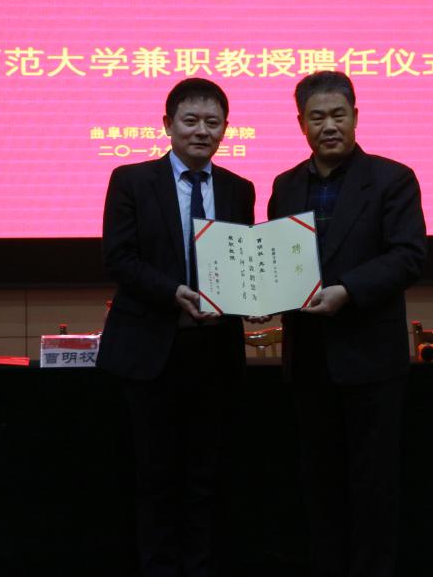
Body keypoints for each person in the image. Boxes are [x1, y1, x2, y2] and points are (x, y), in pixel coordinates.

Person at [267, 70, 426, 577]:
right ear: (301, 123)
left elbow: (408, 257)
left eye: (339, 115)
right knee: (319, 483)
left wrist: (348, 291)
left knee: (373, 485)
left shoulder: (392, 179)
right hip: (309, 360)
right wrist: (260, 294)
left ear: (356, 116)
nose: (329, 126)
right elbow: (274, 260)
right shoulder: (285, 185)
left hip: (370, 360)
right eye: (317, 117)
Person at [96, 78, 256, 577]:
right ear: (167, 125)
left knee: (205, 476)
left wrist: (254, 298)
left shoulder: (239, 189)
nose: (202, 131)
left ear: (226, 129)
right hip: (150, 351)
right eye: (190, 121)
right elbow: (119, 257)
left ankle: (200, 567)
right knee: (154, 475)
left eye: (213, 122)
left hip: (215, 354)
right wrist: (173, 293)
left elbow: (243, 262)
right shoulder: (131, 180)